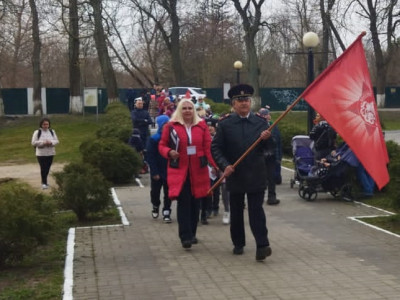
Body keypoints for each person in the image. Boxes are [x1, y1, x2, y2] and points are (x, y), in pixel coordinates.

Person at [211, 84, 274, 261]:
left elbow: (270, 149)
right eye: (240, 100)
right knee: (237, 211)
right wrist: (225, 166)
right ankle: (238, 243)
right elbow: (216, 148)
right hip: (235, 174)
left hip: (255, 173)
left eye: (246, 100)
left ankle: (262, 245)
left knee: (256, 211)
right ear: (233, 103)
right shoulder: (225, 124)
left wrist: (268, 140)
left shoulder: (261, 122)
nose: (244, 103)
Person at [158, 99, 218, 249]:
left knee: (195, 203)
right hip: (180, 170)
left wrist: (216, 165)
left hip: (199, 170)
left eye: (190, 108)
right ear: (179, 110)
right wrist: (169, 152)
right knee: (184, 203)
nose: (187, 111)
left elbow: (208, 148)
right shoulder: (170, 126)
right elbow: (162, 145)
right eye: (184, 108)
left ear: (194, 110)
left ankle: (192, 233)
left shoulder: (202, 126)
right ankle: (185, 236)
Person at [146, 115, 172, 223]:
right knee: (155, 191)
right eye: (165, 123)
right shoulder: (154, 139)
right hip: (157, 170)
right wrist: (154, 171)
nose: (167, 125)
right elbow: (150, 156)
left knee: (168, 192)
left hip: (169, 170)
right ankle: (155, 205)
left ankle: (167, 211)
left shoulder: (172, 138)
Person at [258, 108, 281, 205]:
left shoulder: (273, 126)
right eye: (263, 115)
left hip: (271, 155)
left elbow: (278, 142)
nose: (265, 116)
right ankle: (259, 197)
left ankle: (272, 197)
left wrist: (279, 157)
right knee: (260, 178)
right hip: (259, 156)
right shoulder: (257, 125)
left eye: (266, 114)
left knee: (271, 178)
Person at [31, 118, 59, 189]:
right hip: (41, 154)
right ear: (41, 125)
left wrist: (51, 142)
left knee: (47, 168)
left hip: (50, 153)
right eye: (44, 124)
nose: (46, 126)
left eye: (47, 124)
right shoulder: (37, 132)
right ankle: (44, 183)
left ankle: (45, 181)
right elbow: (33, 142)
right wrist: (43, 143)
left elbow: (56, 141)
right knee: (43, 168)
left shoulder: (52, 131)